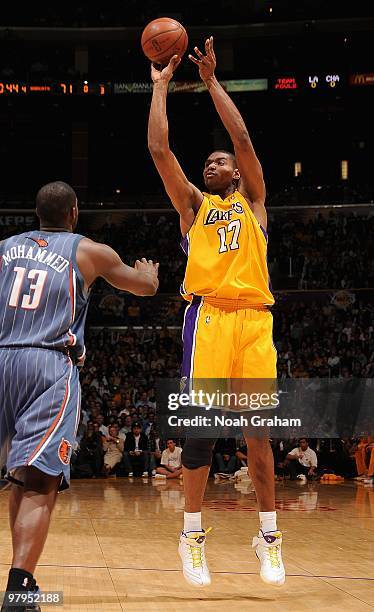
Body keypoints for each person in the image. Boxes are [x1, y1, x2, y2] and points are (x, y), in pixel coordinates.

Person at [148, 37, 284, 587]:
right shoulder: (193, 208)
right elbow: (160, 151)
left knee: (258, 436)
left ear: (237, 173)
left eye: (220, 159)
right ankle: (192, 534)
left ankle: (269, 536)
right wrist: (160, 88)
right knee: (200, 434)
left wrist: (209, 82)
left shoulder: (253, 204)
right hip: (209, 318)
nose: (214, 162)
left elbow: (244, 136)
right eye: (208, 160)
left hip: (255, 320)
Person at [0, 181, 159, 612]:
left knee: (20, 474)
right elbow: (143, 289)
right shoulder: (88, 250)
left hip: (2, 359)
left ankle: (21, 583)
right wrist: (150, 273)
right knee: (41, 479)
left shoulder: (4, 249)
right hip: (49, 364)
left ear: (36, 213)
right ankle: (18, 590)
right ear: (73, 212)